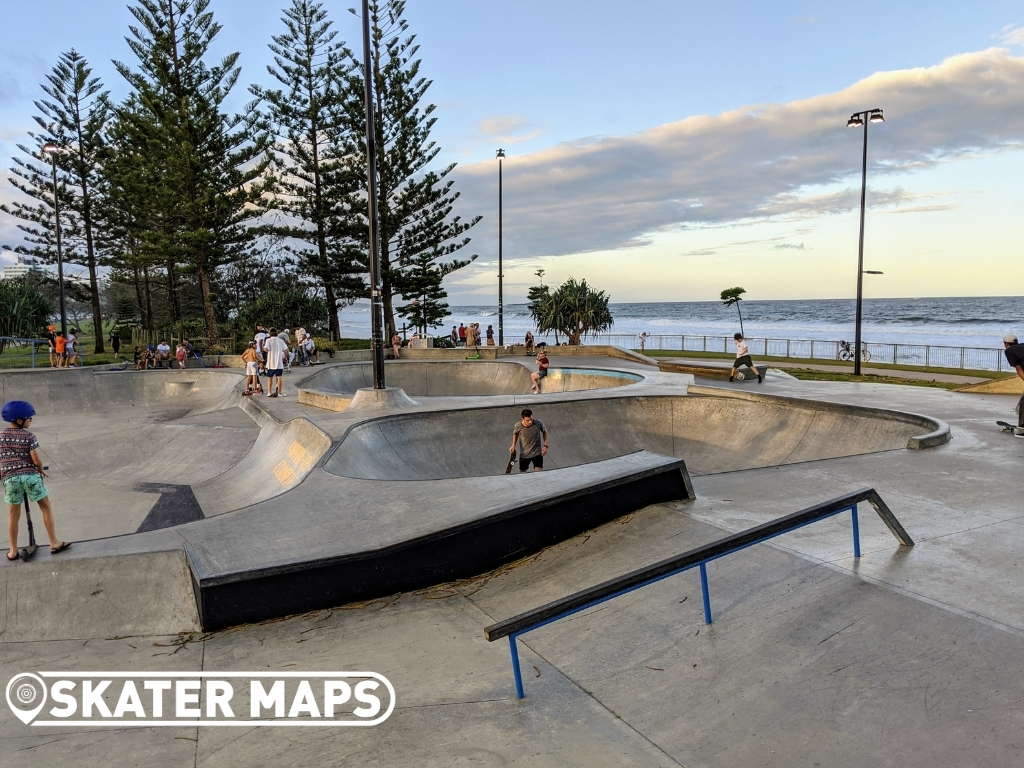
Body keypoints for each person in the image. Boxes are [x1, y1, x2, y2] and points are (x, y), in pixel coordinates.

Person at [2, 400, 70, 561]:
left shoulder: (1, 436)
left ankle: (13, 551)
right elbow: (36, 460)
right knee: (45, 506)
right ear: (19, 420)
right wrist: (40, 470)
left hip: (10, 478)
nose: (31, 420)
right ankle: (53, 542)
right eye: (29, 418)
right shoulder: (29, 436)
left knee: (13, 513)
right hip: (30, 475)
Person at [509, 408, 548, 473]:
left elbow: (545, 431)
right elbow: (515, 434)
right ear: (523, 419)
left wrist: (545, 445)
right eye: (527, 420)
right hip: (524, 454)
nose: (530, 422)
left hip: (537, 453)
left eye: (531, 419)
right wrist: (513, 445)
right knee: (522, 473)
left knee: (539, 473)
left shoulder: (538, 423)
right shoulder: (518, 426)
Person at [1003, 333, 1024, 436]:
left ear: (1006, 344)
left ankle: (1023, 427)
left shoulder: (1009, 351)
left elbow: (1018, 368)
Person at [263, 327, 289, 397]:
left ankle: (269, 392)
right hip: (279, 362)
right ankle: (279, 393)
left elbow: (265, 349)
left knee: (270, 377)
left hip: (271, 363)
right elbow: (286, 350)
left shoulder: (268, 340)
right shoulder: (281, 341)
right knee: (279, 377)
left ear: (270, 333)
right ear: (277, 333)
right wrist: (285, 357)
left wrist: (265, 349)